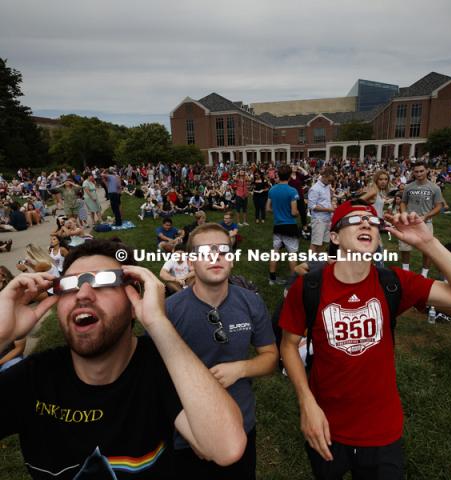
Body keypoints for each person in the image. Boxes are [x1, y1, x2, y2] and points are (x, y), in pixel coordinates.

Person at [0, 239, 246, 479]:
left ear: (134, 301)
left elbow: (225, 447)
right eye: (71, 285)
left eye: (103, 282)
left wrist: (158, 323)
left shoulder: (161, 364)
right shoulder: (35, 376)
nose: (83, 294)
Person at [279, 200, 451, 480]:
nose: (365, 224)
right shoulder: (309, 286)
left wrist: (428, 242)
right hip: (326, 424)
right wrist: (306, 403)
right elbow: (288, 346)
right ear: (334, 237)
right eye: (354, 220)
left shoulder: (393, 282)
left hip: (381, 428)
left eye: (372, 221)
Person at [167, 223, 278, 479]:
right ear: (191, 262)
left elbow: (270, 358)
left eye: (223, 250)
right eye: (205, 251)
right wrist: (187, 431)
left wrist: (241, 368)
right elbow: (154, 376)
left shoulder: (250, 302)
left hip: (241, 425)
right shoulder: (170, 311)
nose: (215, 257)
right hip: (188, 429)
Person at [400, 161, 443, 277]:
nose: (418, 174)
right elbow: (403, 202)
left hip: (426, 222)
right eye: (416, 171)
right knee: (405, 247)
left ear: (427, 170)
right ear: (413, 172)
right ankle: (405, 272)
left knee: (427, 250)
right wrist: (404, 213)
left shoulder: (435, 187)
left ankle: (424, 275)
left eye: (421, 171)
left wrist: (426, 216)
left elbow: (439, 205)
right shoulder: (408, 186)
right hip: (408, 222)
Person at [267, 165, 299, 285]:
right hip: (290, 225)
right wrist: (296, 215)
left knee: (275, 251)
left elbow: (267, 208)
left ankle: (272, 278)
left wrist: (278, 212)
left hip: (278, 225)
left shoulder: (272, 190)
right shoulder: (292, 191)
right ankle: (293, 282)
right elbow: (294, 212)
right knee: (292, 254)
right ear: (290, 176)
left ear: (278, 175)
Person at [308, 168, 335, 253]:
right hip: (318, 219)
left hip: (327, 218)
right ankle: (310, 263)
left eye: (331, 181)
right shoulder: (315, 188)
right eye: (329, 180)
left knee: (324, 242)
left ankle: (319, 262)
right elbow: (312, 206)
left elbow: (326, 201)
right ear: (323, 176)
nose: (330, 182)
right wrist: (329, 209)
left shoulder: (327, 186)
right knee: (315, 243)